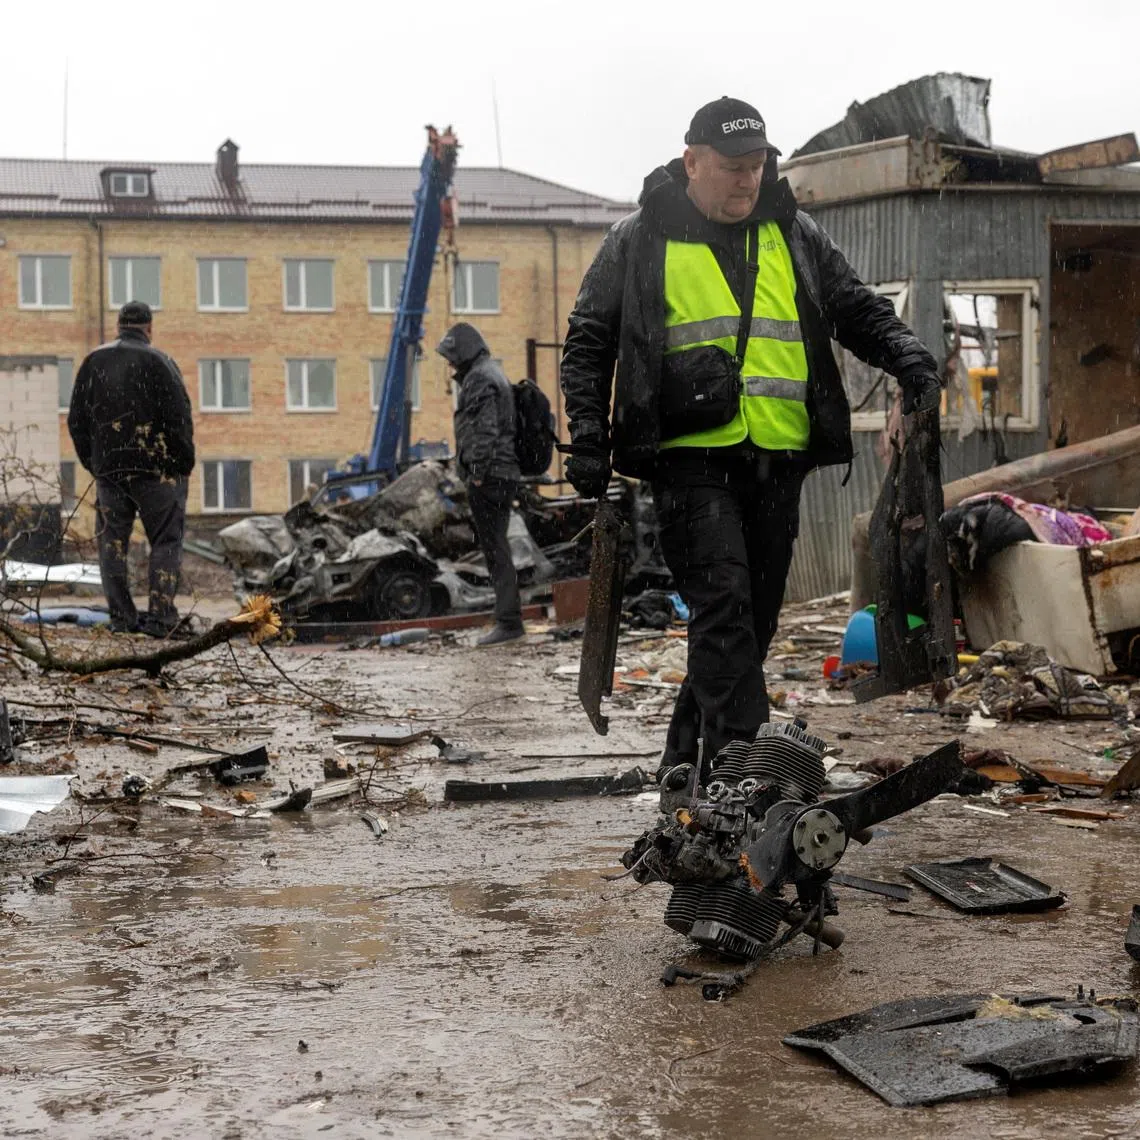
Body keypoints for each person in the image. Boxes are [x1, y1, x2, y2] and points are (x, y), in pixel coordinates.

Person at [560, 97, 941, 779]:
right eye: (734, 168)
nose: (748, 180)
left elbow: (854, 307)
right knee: (726, 607)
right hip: (688, 460)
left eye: (759, 166)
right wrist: (586, 434)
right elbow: (588, 338)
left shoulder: (794, 233)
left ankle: (685, 767)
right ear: (692, 163)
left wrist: (908, 356)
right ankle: (750, 780)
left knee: (751, 624)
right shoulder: (641, 238)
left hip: (776, 459)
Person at [68, 301, 195, 637]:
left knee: (112, 546)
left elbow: (76, 420)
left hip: (111, 473)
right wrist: (182, 465)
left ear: (118, 325)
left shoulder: (94, 361)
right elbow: (179, 417)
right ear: (149, 328)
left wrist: (95, 464)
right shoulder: (160, 361)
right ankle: (161, 619)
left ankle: (122, 620)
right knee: (166, 542)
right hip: (156, 471)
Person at [437, 322, 525, 647]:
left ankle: (509, 622)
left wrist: (476, 471)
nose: (449, 365)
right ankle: (508, 618)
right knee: (497, 546)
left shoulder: (479, 378)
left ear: (464, 353)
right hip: (503, 471)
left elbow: (483, 428)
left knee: (495, 549)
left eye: (451, 357)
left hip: (491, 474)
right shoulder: (491, 372)